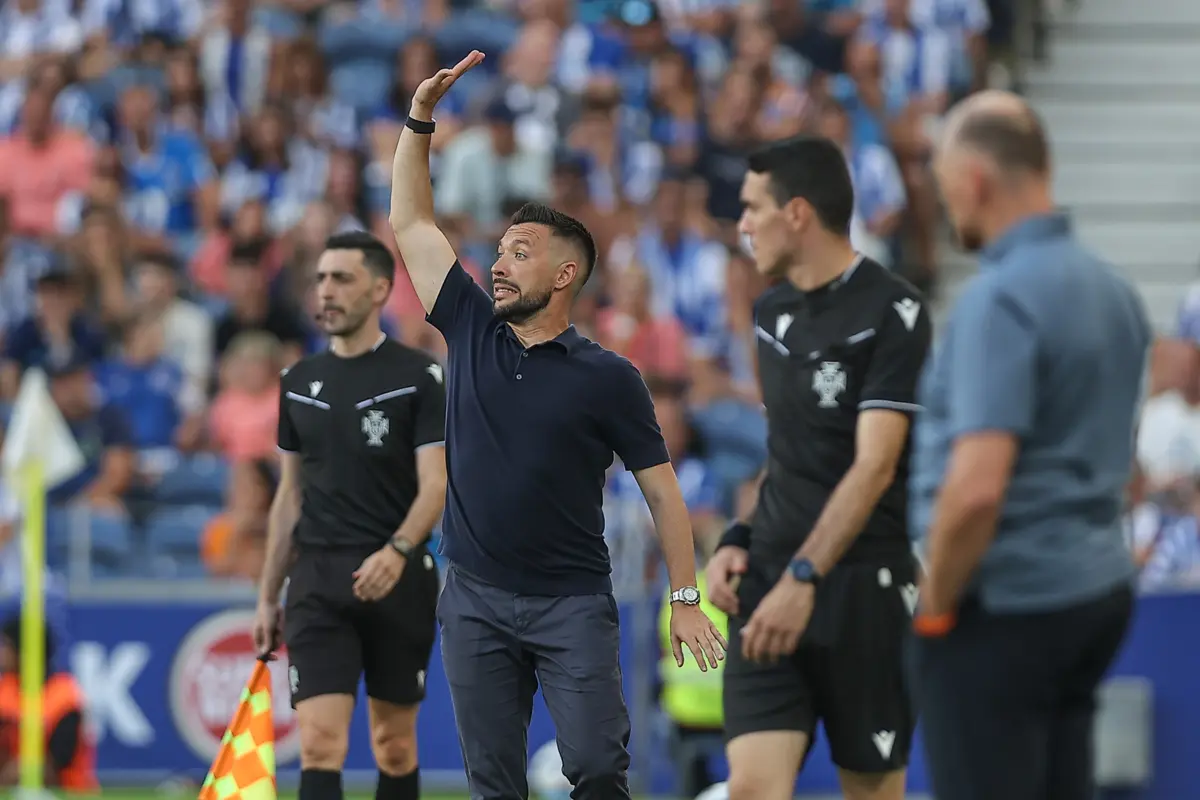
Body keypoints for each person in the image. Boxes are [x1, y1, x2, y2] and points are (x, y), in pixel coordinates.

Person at [388, 50, 726, 800]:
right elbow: (409, 218)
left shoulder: (609, 376)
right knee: (495, 784)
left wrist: (683, 600)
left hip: (572, 602)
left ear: (565, 275)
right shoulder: (470, 324)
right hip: (472, 597)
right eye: (500, 250)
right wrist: (420, 119)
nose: (499, 265)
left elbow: (665, 496)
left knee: (600, 771)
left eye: (520, 252)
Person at [908, 90, 1152, 800]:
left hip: (1005, 605)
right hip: (1093, 590)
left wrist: (935, 605)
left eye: (946, 185)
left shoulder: (1001, 298)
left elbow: (979, 486)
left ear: (974, 182)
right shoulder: (1112, 289)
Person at [705, 135, 932, 800]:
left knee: (871, 792)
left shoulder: (894, 310)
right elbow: (789, 458)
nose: (742, 224)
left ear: (797, 213)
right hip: (769, 584)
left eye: (752, 208)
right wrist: (739, 538)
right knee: (750, 789)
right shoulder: (770, 313)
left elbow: (875, 465)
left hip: (861, 588)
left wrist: (806, 578)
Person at [252, 230, 448, 800]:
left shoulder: (420, 375)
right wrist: (268, 594)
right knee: (318, 744)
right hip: (316, 579)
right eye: (320, 279)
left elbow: (435, 485)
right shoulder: (297, 383)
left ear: (380, 289)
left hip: (398, 576)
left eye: (342, 278)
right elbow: (288, 496)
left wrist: (399, 549)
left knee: (394, 745)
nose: (326, 292)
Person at [0, 616, 98, 792]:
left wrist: (20, 770)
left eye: (5, 645)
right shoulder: (5, 690)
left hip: (66, 792)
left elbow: (58, 764)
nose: (1, 653)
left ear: (23, 652)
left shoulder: (65, 697)